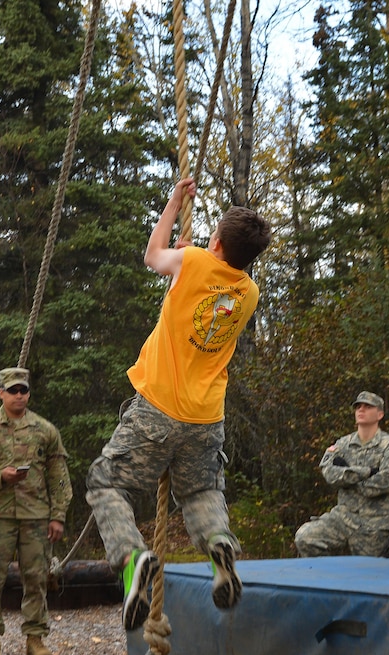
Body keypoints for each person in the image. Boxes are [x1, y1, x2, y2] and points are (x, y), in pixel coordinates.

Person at [85, 178, 271, 631]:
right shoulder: (249, 294)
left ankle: (133, 558)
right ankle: (220, 549)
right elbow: (207, 289)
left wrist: (174, 203)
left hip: (158, 407)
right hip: (206, 418)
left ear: (217, 242)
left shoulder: (191, 261)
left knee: (104, 483)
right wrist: (195, 260)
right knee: (202, 492)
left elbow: (153, 255)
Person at [0, 367, 73, 655]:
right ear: (1, 393)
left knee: (36, 578)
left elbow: (59, 476)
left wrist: (57, 516)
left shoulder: (45, 430)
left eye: (23, 390)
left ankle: (35, 638)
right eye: (12, 390)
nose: (18, 395)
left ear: (29, 393)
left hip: (36, 515)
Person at [294, 392, 389, 557]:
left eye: (368, 407)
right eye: (358, 406)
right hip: (344, 517)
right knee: (306, 538)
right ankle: (331, 580)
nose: (361, 410)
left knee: (371, 574)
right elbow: (329, 475)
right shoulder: (342, 444)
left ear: (380, 414)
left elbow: (384, 483)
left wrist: (346, 477)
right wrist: (366, 472)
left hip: (377, 523)